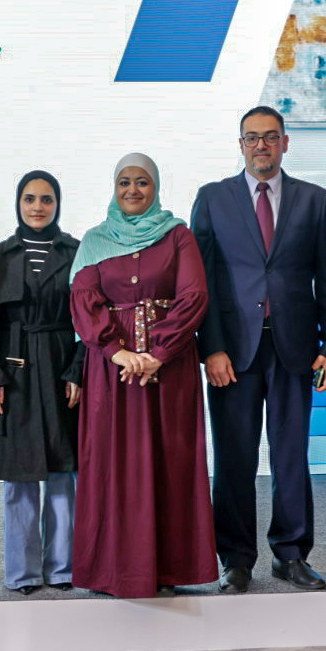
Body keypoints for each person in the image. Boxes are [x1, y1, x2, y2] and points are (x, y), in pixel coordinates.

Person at [191, 106, 326, 593]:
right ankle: (236, 559)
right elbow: (201, 282)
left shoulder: (315, 200)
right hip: (233, 352)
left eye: (271, 137)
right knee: (234, 457)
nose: (262, 145)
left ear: (285, 143)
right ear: (240, 145)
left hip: (294, 347)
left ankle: (291, 555)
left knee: (291, 455)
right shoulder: (212, 198)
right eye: (253, 137)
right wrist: (211, 348)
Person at [70, 153, 216, 598]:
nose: (132, 190)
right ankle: (111, 570)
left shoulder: (178, 236)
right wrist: (116, 351)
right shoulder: (94, 240)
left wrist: (158, 353)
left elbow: (193, 296)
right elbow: (83, 299)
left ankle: (167, 569)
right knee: (112, 464)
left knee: (170, 460)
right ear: (114, 188)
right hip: (111, 372)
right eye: (124, 182)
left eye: (142, 182)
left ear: (155, 188)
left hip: (168, 371)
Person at [0, 171, 83, 594]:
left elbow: (88, 320)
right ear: (19, 203)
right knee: (18, 477)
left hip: (59, 368)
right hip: (12, 374)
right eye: (30, 199)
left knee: (62, 472)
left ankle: (62, 568)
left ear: (58, 204)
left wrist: (77, 371)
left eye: (46, 199)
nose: (38, 207)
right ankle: (22, 572)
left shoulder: (77, 252)